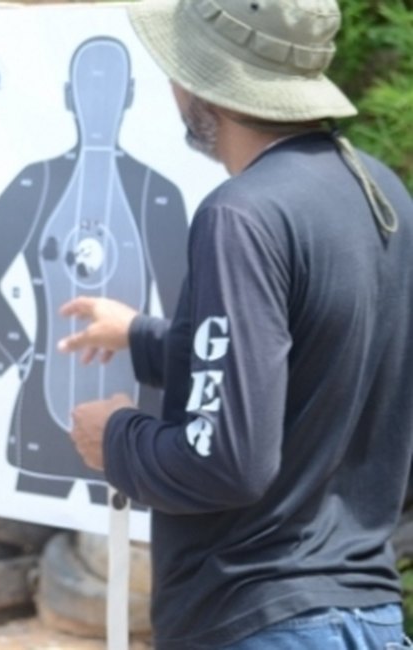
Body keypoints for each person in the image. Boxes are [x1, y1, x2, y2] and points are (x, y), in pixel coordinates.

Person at [55, 0, 413, 648]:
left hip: (261, 616)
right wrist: (143, 336)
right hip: (369, 618)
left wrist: (117, 438)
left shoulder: (241, 217)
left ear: (200, 85)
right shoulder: (381, 193)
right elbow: (313, 363)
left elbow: (225, 463)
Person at [0, 34, 188, 504]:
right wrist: (23, 357)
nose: (98, 101)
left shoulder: (156, 192)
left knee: (117, 556)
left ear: (129, 96)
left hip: (131, 414)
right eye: (88, 87)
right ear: (67, 96)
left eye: (109, 87)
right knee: (29, 546)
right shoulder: (39, 183)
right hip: (51, 410)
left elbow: (187, 312)